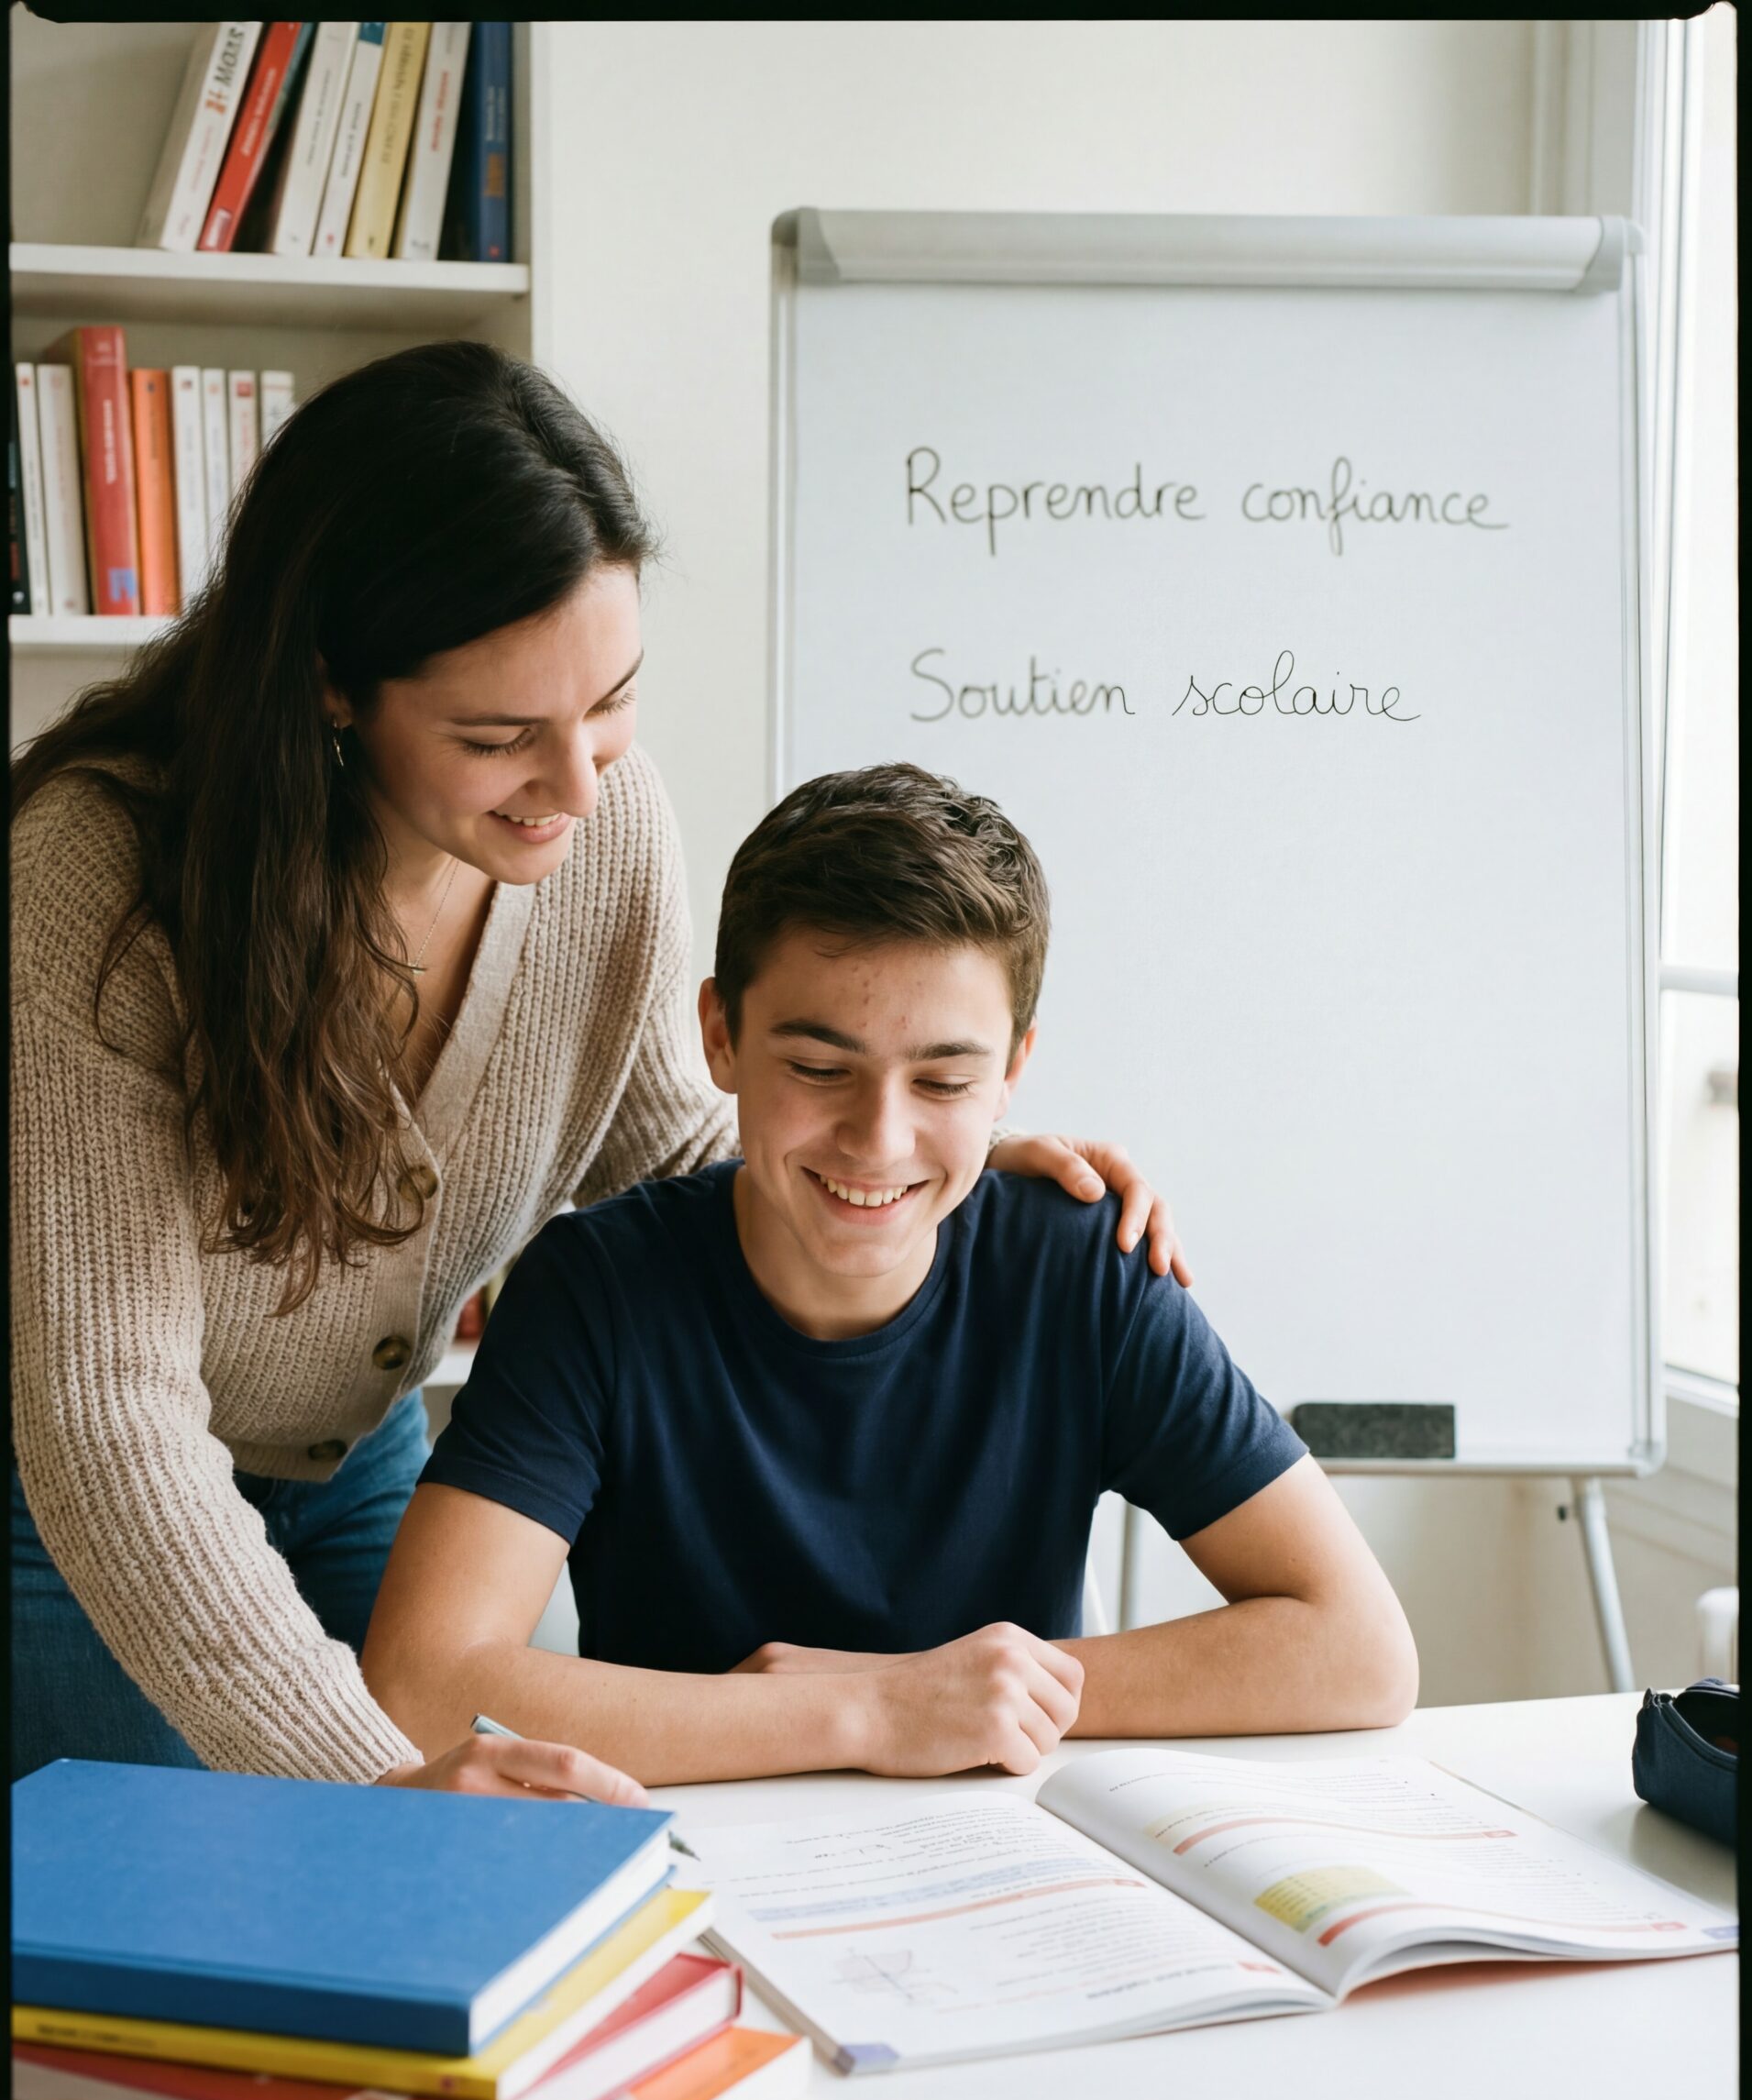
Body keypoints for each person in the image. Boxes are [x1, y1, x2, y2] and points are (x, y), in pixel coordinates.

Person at [9, 344, 1184, 1798]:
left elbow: (667, 1147)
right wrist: (370, 1787)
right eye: (500, 736)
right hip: (68, 1505)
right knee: (154, 1943)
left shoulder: (602, 833)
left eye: (610, 701)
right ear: (330, 686)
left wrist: (903, 1161)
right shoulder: (96, 881)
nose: (578, 785)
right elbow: (102, 1413)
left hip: (350, 1462)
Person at [362, 763, 1418, 1784]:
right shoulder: (595, 1290)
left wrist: (983, 1696)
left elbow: (1361, 1650)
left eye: (945, 1080)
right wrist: (874, 1710)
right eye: (820, 1069)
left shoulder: (1083, 1271)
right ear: (720, 1036)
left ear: (1013, 1072)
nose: (878, 1138)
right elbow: (422, 1681)